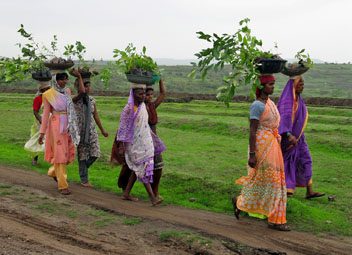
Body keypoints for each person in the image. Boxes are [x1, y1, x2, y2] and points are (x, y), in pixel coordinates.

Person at [233, 74, 289, 231]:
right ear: (262, 86)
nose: (273, 87)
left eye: (273, 84)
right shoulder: (257, 105)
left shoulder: (270, 103)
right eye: (270, 84)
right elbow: (252, 130)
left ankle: (276, 218)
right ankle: (244, 203)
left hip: (273, 145)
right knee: (267, 180)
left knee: (275, 181)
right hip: (262, 146)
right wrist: (252, 154)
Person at [113, 84, 165, 205]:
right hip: (133, 143)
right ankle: (152, 197)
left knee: (138, 168)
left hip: (145, 142)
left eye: (143, 94)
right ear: (133, 94)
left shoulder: (143, 107)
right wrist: (120, 145)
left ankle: (126, 193)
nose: (142, 96)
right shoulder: (128, 109)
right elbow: (122, 127)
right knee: (142, 167)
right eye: (140, 94)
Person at [277, 75, 324, 199]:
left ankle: (309, 191)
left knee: (306, 160)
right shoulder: (287, 101)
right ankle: (287, 190)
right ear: (293, 85)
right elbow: (283, 118)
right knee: (289, 162)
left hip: (299, 138)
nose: (302, 85)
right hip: (288, 138)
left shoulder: (299, 100)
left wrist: (296, 135)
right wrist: (288, 134)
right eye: (300, 83)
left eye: (303, 83)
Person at [38, 71, 81, 195]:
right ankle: (63, 185)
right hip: (56, 126)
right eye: (62, 79)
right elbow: (46, 114)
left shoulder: (67, 92)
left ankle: (53, 171)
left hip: (68, 124)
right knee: (60, 155)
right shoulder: (47, 94)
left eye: (66, 79)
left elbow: (70, 108)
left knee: (66, 154)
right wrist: (42, 133)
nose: (64, 81)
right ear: (55, 80)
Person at [72, 72, 109, 187]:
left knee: (95, 153)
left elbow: (96, 115)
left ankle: (83, 169)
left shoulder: (92, 100)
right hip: (80, 131)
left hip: (91, 130)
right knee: (82, 155)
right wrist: (79, 76)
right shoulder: (74, 99)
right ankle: (84, 180)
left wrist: (102, 130)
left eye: (89, 86)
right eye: (85, 86)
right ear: (78, 87)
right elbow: (82, 92)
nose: (87, 88)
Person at [145, 79, 166, 200]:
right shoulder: (140, 108)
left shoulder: (152, 106)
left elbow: (163, 94)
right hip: (143, 139)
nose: (150, 97)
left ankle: (155, 191)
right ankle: (153, 194)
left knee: (158, 166)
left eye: (151, 95)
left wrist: (160, 80)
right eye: (147, 95)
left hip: (153, 139)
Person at [24, 81, 51, 165]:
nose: (47, 90)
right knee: (37, 139)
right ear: (42, 90)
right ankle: (34, 159)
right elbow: (35, 112)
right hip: (41, 122)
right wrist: (41, 121)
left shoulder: (52, 98)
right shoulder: (38, 99)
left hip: (51, 121)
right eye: (46, 89)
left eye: (49, 89)